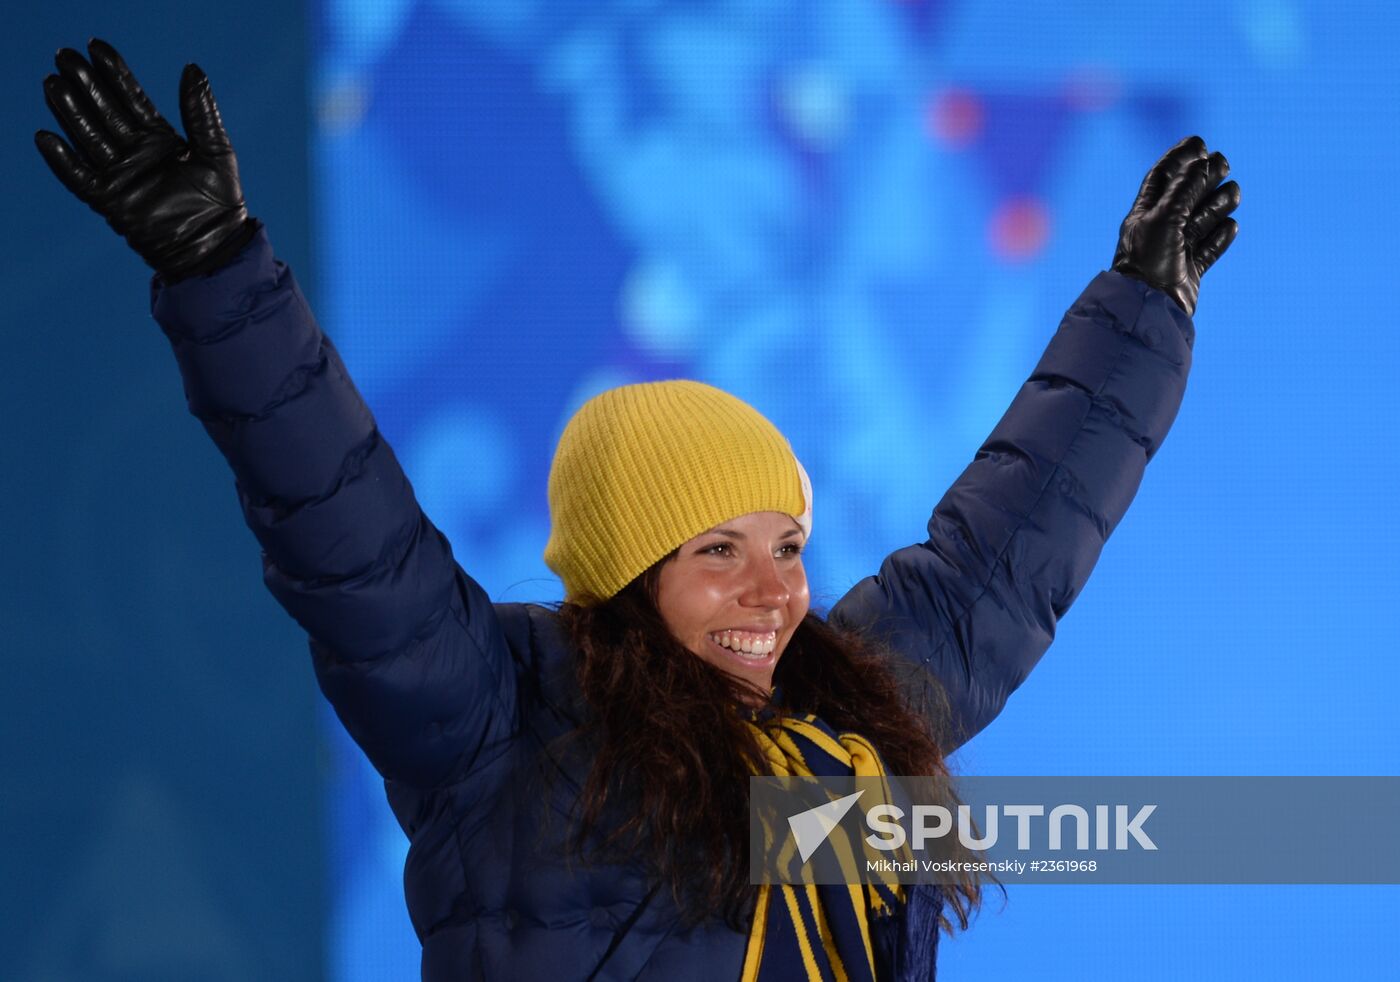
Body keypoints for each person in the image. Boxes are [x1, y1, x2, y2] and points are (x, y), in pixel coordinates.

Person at [35, 38, 1240, 982]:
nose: (771, 593)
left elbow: (1006, 552)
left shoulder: (842, 712)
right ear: (624, 570)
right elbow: (335, 515)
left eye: (786, 547)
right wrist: (216, 268)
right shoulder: (498, 720)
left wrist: (1143, 309)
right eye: (717, 551)